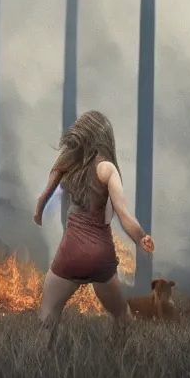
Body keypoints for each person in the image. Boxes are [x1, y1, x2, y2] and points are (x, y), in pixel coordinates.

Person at [32, 110, 155, 349]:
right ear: (105, 137)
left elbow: (41, 199)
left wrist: (38, 214)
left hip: (71, 252)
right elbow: (123, 215)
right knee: (121, 315)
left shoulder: (67, 161)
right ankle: (124, 359)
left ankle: (38, 363)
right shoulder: (107, 169)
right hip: (101, 255)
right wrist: (142, 238)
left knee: (48, 315)